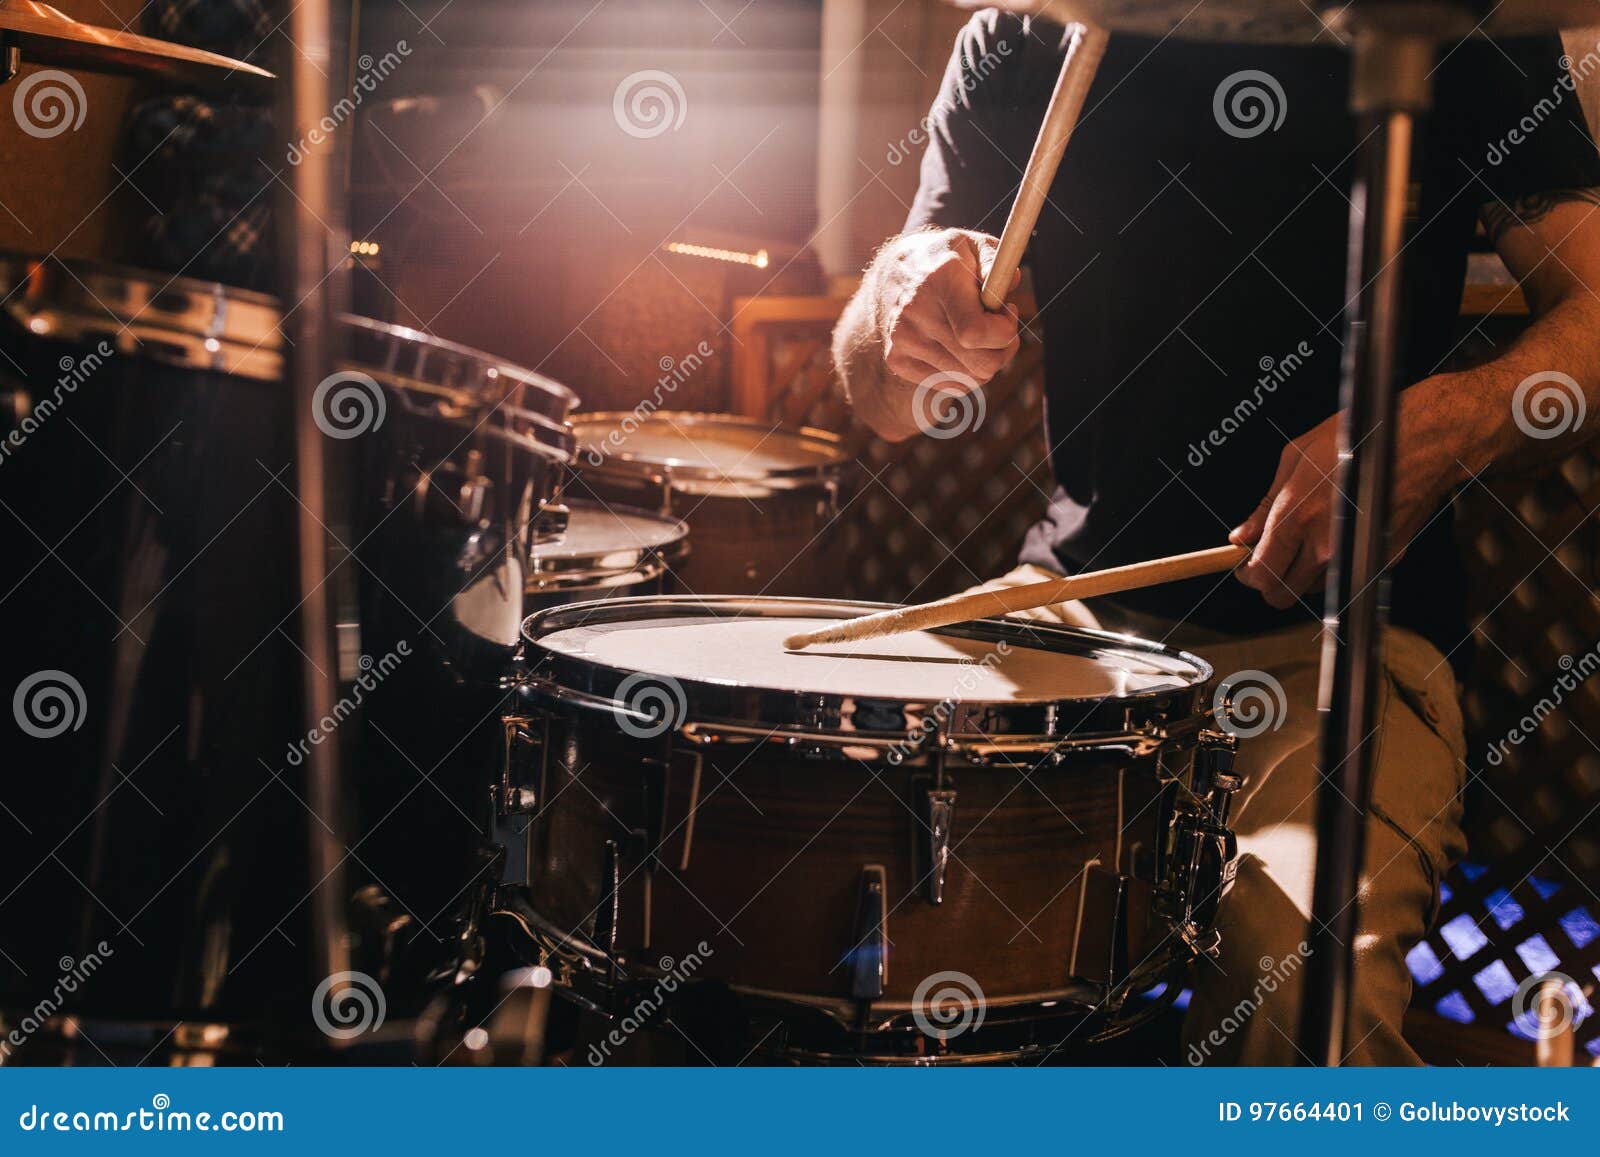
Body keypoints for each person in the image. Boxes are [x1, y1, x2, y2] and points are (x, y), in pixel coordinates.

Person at [833, 10, 1600, 1064]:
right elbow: (879, 396)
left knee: (1297, 975)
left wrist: (1431, 426)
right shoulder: (1029, 29)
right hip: (1074, 617)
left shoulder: (1454, 21)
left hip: (1344, 636)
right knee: (897, 943)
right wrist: (895, 304)